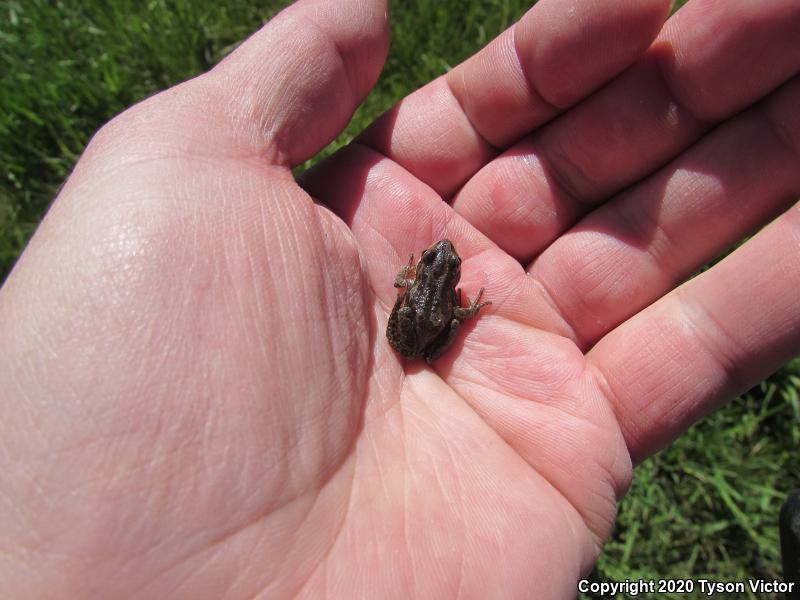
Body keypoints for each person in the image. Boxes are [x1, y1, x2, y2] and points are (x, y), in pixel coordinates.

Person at [1, 0, 798, 596]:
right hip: (413, 331)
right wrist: (454, 308)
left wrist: (439, 299)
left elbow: (424, 299)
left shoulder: (430, 284)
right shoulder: (435, 289)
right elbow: (430, 306)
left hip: (412, 328)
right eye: (440, 268)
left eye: (439, 269)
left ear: (436, 273)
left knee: (420, 323)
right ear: (438, 273)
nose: (442, 267)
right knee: (423, 326)